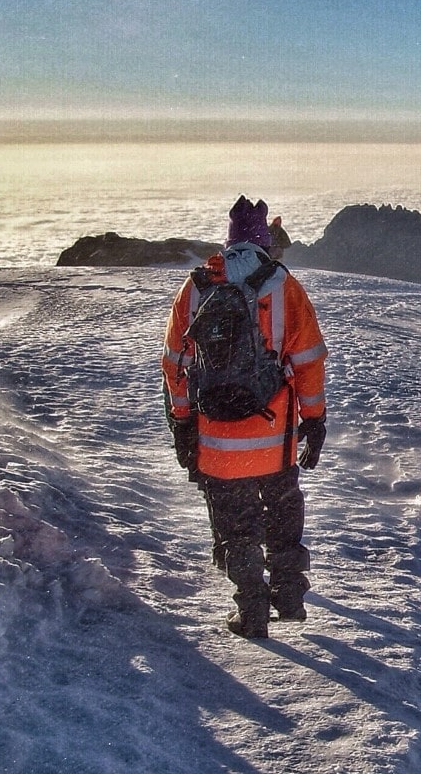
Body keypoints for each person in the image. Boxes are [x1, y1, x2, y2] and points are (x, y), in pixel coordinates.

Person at [162, 195, 328, 639]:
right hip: (275, 439)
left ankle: (252, 610)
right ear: (264, 242)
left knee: (236, 527)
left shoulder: (196, 287)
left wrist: (182, 423)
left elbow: (175, 364)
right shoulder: (282, 286)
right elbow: (308, 361)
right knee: (282, 513)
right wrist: (314, 420)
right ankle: (289, 596)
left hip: (217, 442)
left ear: (230, 240)